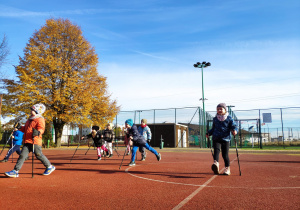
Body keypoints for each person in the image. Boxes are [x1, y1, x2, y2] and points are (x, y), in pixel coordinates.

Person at [5, 103, 55, 178]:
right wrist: (20, 127)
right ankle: (15, 171)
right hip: (27, 141)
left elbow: (41, 128)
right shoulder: (29, 120)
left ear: (37, 111)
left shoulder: (40, 119)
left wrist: (38, 132)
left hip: (35, 141)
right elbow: (25, 129)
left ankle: (49, 166)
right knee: (22, 156)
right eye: (31, 109)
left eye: (33, 109)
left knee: (38, 155)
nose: (31, 111)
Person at [206, 103, 238, 176]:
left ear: (225, 109)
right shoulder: (215, 119)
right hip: (216, 138)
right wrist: (209, 133)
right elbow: (213, 128)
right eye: (218, 109)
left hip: (225, 139)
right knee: (216, 151)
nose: (219, 110)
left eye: (221, 109)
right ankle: (216, 163)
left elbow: (234, 126)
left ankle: (227, 168)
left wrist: (235, 130)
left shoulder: (229, 118)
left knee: (225, 154)